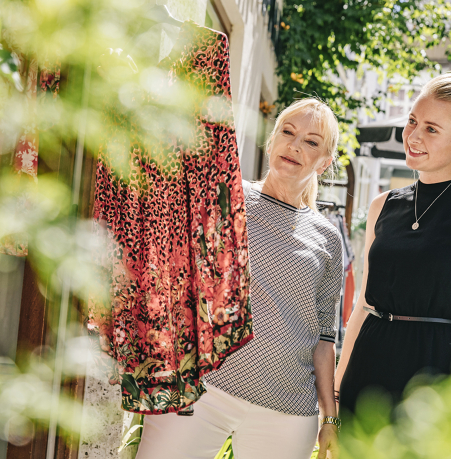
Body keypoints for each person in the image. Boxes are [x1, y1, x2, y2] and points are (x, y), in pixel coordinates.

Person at [135, 99, 344, 459]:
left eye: (311, 142)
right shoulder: (226, 199)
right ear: (272, 140)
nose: (294, 145)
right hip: (201, 389)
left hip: (286, 409)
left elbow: (325, 337)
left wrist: (331, 419)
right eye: (288, 133)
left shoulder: (328, 239)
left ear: (325, 162)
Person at [335, 71, 451, 456]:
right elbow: (363, 306)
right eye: (413, 121)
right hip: (365, 373)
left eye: (431, 129)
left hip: (438, 378)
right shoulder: (383, 205)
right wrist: (334, 394)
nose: (413, 135)